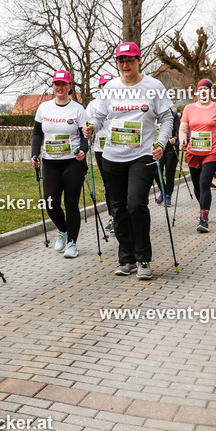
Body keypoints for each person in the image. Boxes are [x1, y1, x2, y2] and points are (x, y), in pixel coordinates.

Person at [84, 42, 174, 279]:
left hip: (142, 154)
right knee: (119, 208)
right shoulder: (110, 88)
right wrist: (92, 126)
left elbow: (166, 118)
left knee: (136, 204)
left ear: (138, 60)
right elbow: (100, 116)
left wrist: (161, 144)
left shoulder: (153, 86)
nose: (125, 65)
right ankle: (126, 259)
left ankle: (143, 258)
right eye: (121, 61)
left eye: (130, 60)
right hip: (112, 156)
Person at [31, 69, 89, 257]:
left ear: (70, 86)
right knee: (50, 202)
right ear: (53, 86)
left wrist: (83, 150)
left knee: (71, 203)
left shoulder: (78, 109)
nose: (60, 87)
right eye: (57, 84)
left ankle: (72, 243)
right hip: (50, 162)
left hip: (72, 162)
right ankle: (63, 230)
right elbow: (37, 133)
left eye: (64, 84)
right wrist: (34, 154)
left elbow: (85, 136)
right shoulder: (44, 108)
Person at [179, 79, 216, 232]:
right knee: (197, 187)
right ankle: (203, 209)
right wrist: (182, 139)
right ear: (197, 92)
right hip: (193, 152)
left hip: (212, 151)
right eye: (201, 90)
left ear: (210, 92)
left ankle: (203, 219)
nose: (203, 92)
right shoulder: (189, 108)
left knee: (204, 182)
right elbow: (182, 128)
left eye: (206, 90)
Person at [91, 72, 115, 232]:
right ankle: (113, 217)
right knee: (108, 184)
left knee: (118, 183)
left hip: (119, 148)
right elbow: (87, 122)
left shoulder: (120, 103)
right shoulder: (93, 105)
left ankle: (123, 213)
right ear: (99, 88)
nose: (105, 89)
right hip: (100, 149)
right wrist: (87, 129)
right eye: (103, 86)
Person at [156, 107, 181, 207]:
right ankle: (163, 190)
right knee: (156, 172)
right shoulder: (155, 115)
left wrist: (175, 139)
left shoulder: (173, 116)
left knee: (169, 173)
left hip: (171, 148)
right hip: (158, 148)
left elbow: (179, 132)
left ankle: (167, 196)